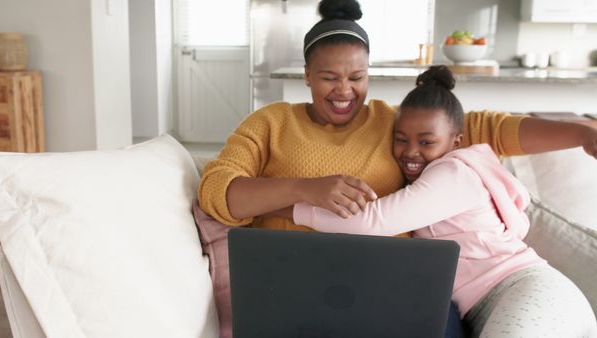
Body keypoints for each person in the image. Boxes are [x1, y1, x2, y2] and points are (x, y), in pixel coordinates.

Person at [198, 0, 597, 335]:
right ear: (306, 76)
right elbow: (217, 191)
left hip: (393, 285)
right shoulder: (270, 122)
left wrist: (580, 133)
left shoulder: (395, 124)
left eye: (357, 77)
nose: (344, 90)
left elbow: (483, 128)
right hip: (291, 284)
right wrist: (304, 188)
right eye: (328, 78)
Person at [290, 65, 597, 337]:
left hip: (528, 291)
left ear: (456, 141)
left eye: (426, 141)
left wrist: (291, 206)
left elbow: (372, 221)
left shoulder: (453, 173)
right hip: (490, 306)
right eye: (401, 139)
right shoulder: (424, 181)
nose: (411, 152)